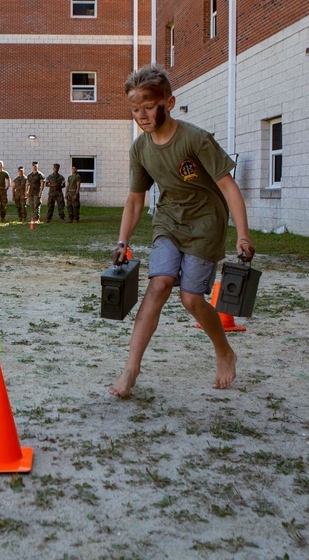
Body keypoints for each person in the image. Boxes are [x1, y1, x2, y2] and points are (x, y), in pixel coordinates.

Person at [108, 64, 254, 399]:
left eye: (148, 106)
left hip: (206, 224)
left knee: (191, 298)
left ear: (169, 103)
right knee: (158, 285)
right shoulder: (140, 149)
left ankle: (224, 351)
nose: (141, 115)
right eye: (135, 109)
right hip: (169, 221)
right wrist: (122, 241)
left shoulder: (195, 139)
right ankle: (131, 368)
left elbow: (229, 188)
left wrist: (243, 235)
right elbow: (134, 201)